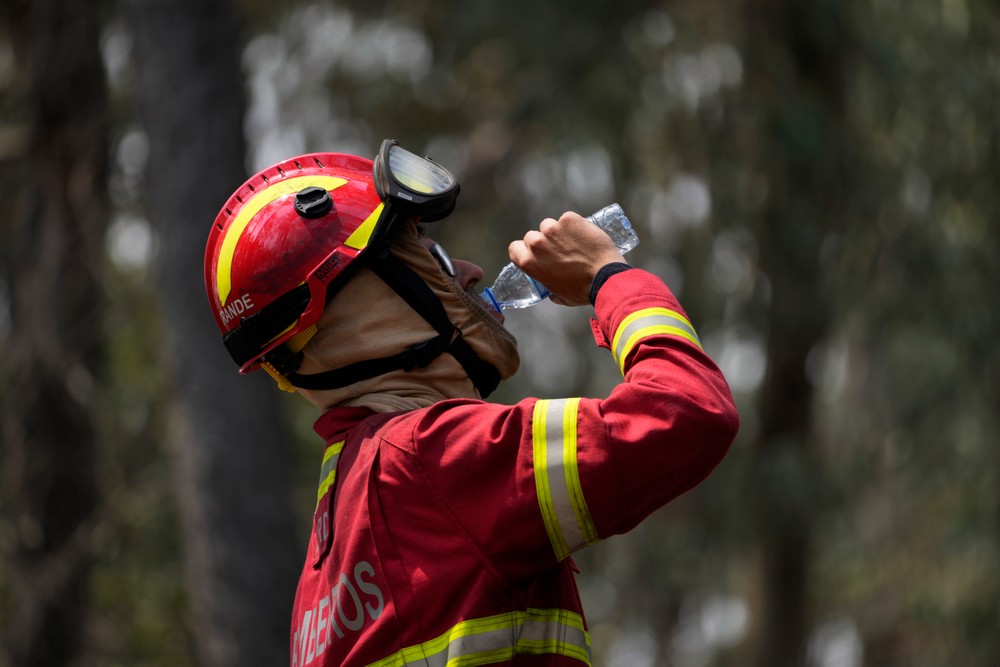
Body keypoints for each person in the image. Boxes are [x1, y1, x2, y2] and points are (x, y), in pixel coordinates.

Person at [203, 140, 739, 667]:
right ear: (359, 303)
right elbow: (687, 410)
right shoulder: (429, 459)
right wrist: (609, 276)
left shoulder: (335, 535)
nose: (469, 271)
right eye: (428, 254)